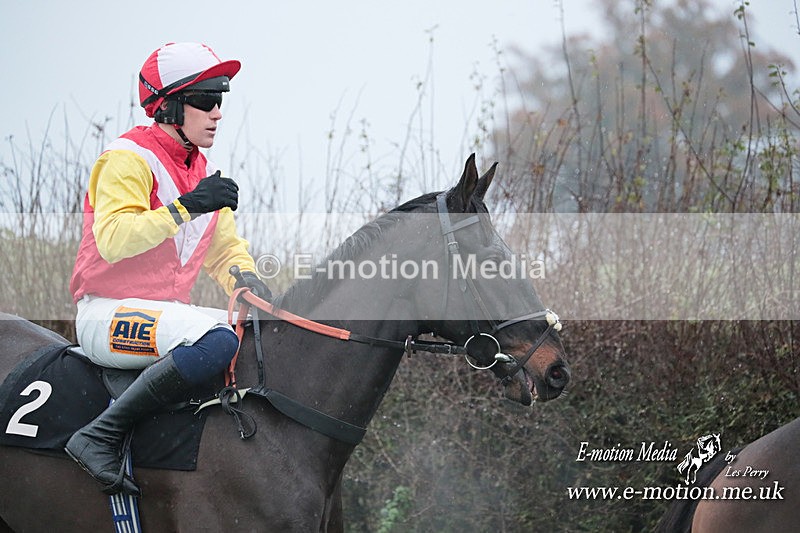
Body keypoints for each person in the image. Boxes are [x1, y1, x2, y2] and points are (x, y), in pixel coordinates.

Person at [65, 42, 270, 497]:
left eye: (222, 99)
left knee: (261, 336)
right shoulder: (126, 159)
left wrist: (246, 278)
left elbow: (223, 250)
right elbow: (114, 240)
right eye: (206, 100)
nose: (217, 112)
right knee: (217, 340)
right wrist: (184, 207)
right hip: (107, 314)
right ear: (171, 105)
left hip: (163, 317)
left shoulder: (207, 172)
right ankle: (99, 435)